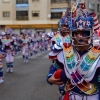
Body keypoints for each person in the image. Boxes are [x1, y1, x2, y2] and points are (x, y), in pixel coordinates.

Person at [46, 2, 100, 100]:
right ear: (72, 34)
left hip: (93, 96)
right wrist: (50, 77)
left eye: (84, 33)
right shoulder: (64, 51)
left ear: (91, 34)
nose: (80, 36)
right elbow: (54, 67)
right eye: (76, 33)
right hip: (70, 96)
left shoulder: (98, 52)